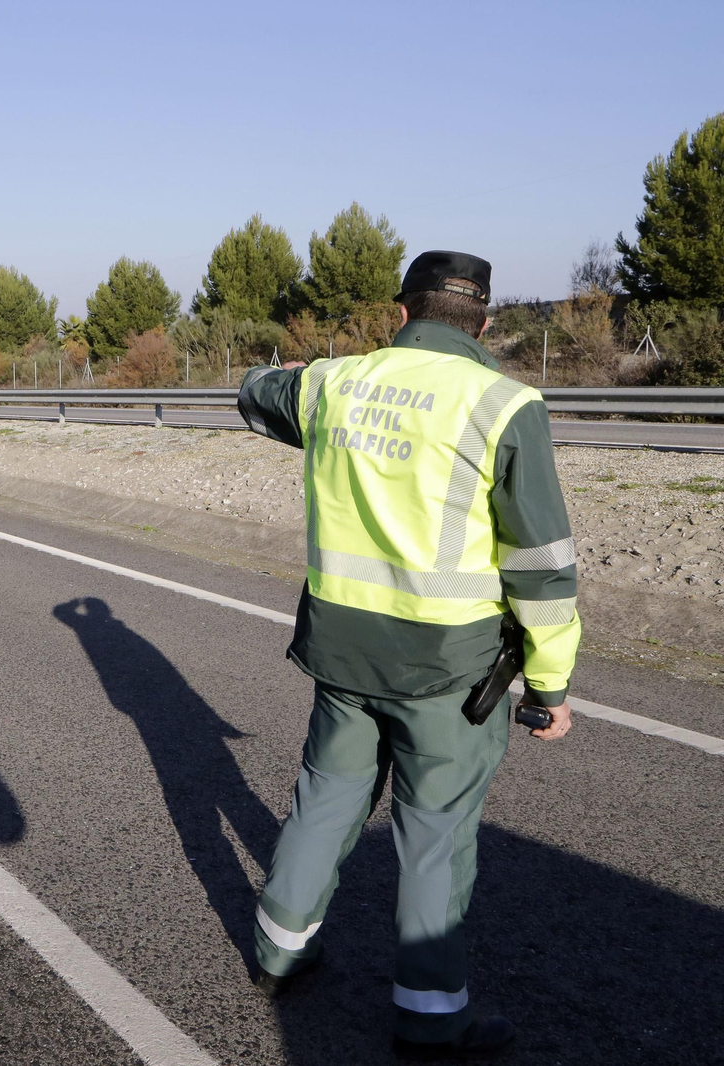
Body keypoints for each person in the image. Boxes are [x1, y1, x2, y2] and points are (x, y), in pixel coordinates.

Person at [238, 250, 580, 1059]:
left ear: (401, 314)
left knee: (326, 797)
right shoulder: (503, 402)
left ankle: (279, 952)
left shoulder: (331, 383)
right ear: (486, 323)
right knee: (434, 831)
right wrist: (550, 684)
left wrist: (275, 370)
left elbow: (255, 392)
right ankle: (430, 1018)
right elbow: (541, 564)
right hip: (449, 671)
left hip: (343, 650)